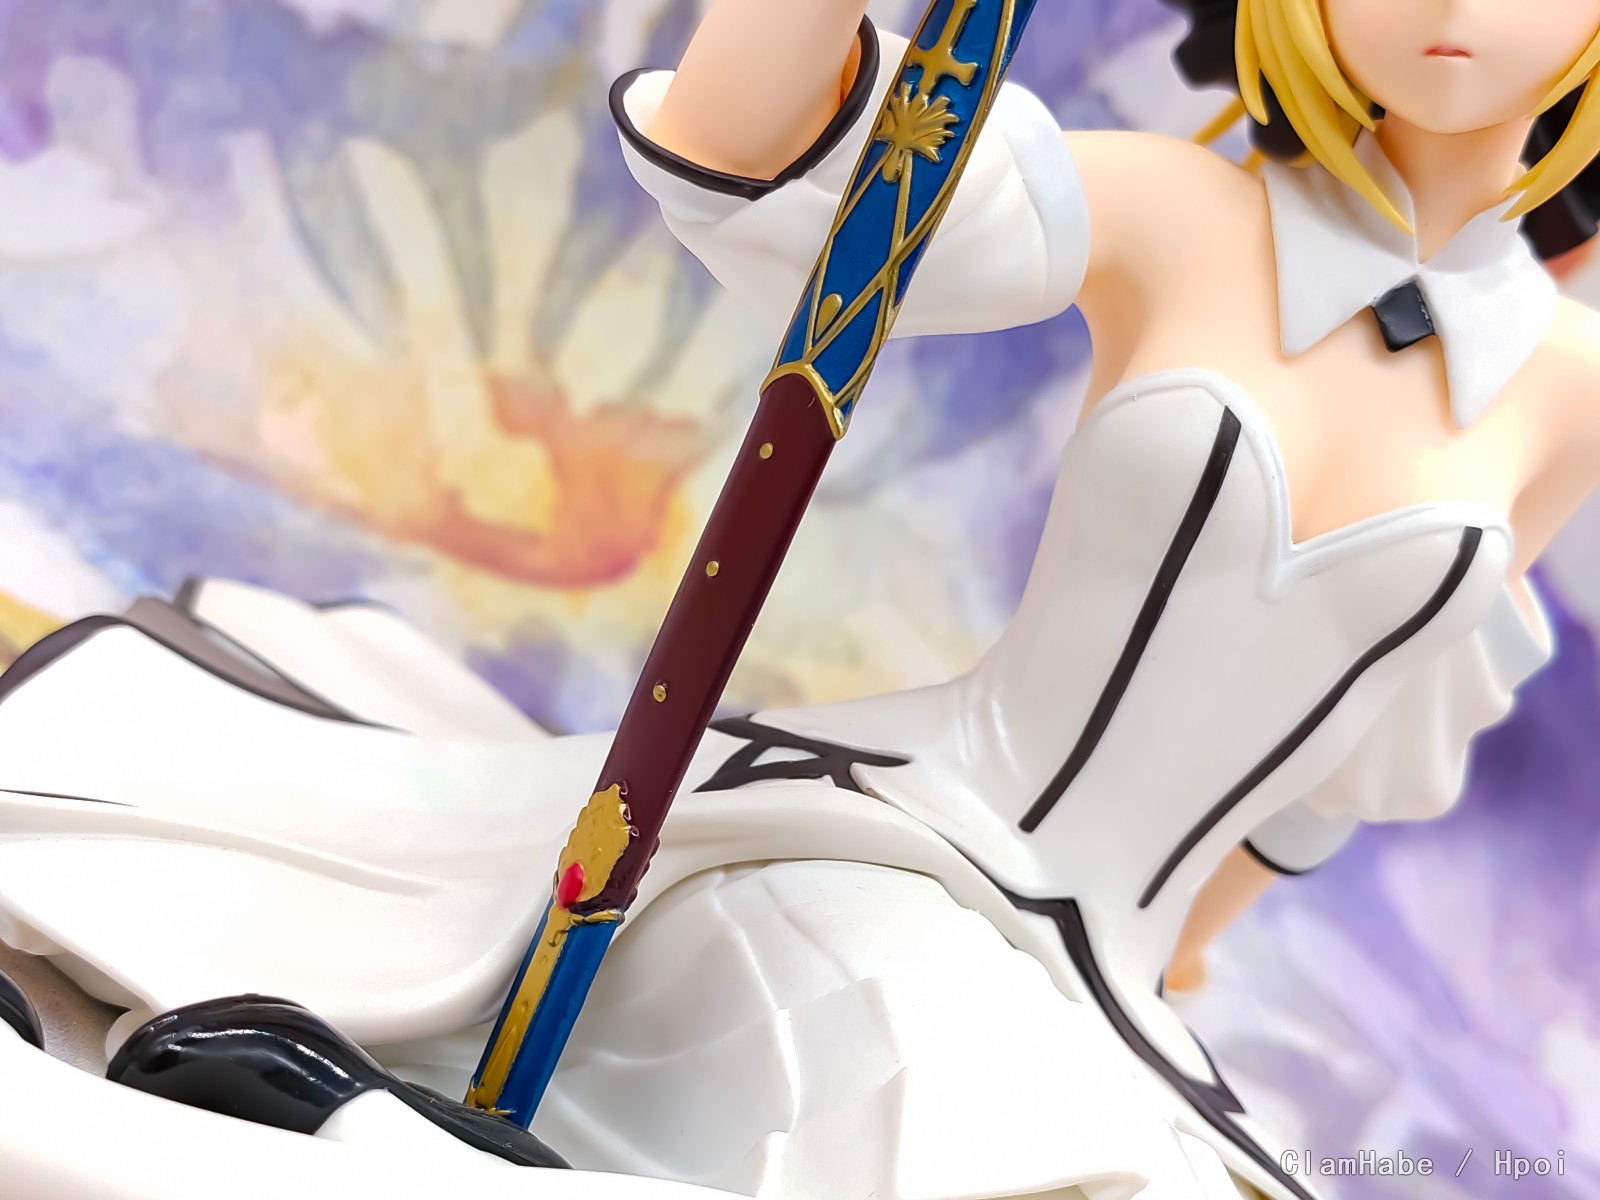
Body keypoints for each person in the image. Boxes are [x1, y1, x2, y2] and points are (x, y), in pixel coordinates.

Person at [1, 1, 1598, 1197]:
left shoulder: (1571, 386)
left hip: (1113, 983)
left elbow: (1362, 752)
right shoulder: (1185, 217)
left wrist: (1184, 960)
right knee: (936, 1117)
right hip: (894, 839)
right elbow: (758, 150)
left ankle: (369, 1141)